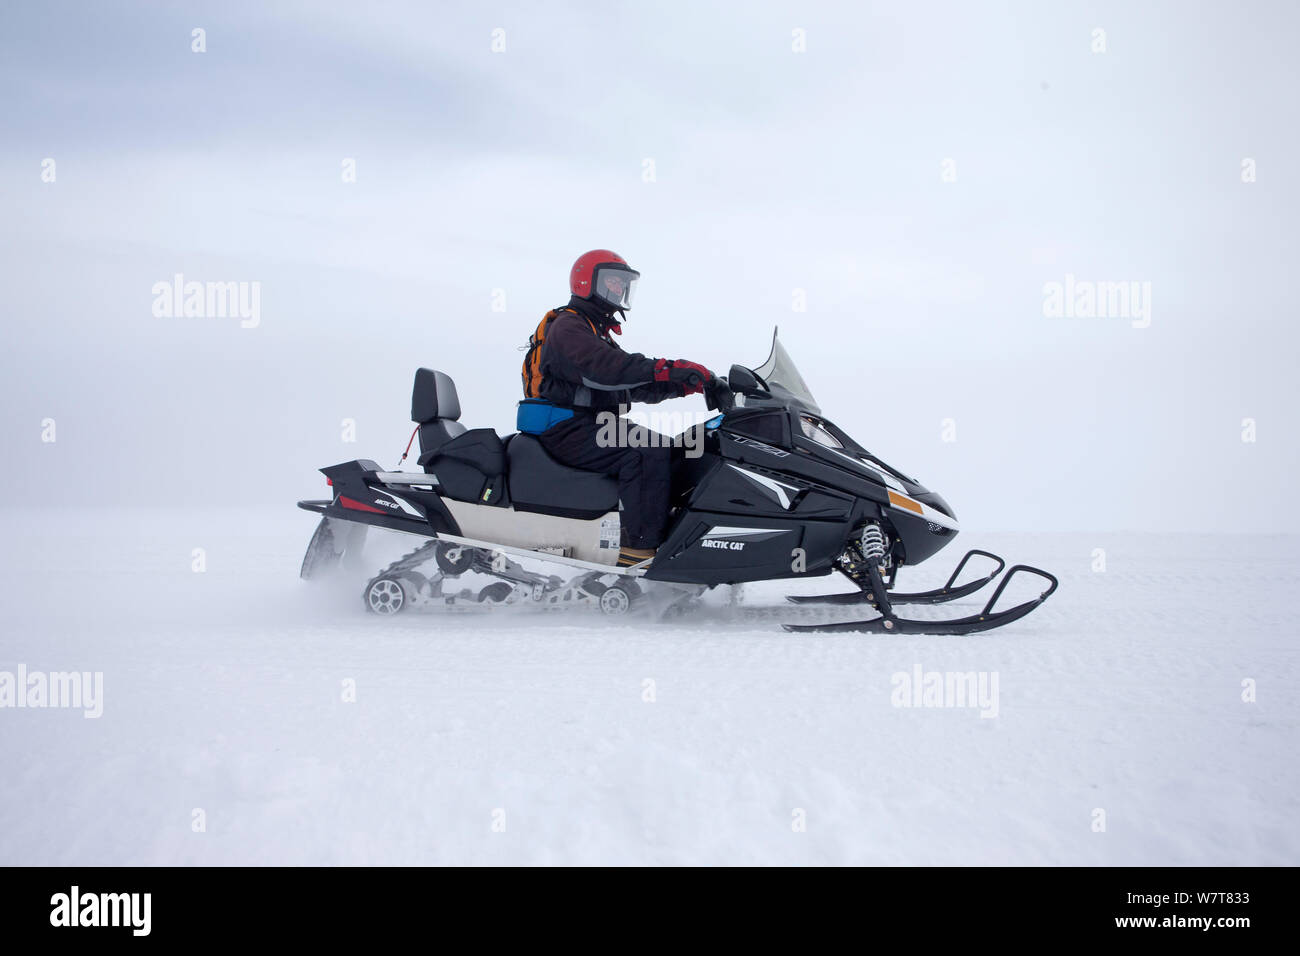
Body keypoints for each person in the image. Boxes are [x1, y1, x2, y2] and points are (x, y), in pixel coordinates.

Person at [522, 250, 712, 567]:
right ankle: (638, 551)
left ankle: (673, 535)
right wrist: (672, 368)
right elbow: (612, 369)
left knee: (676, 447)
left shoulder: (593, 331)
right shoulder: (569, 328)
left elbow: (635, 384)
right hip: (566, 428)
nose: (619, 289)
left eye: (624, 283)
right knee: (645, 449)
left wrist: (688, 384)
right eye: (612, 280)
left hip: (588, 426)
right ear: (587, 282)